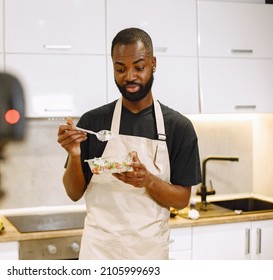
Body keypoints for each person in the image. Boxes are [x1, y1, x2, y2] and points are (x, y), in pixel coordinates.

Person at [57, 27, 201, 259]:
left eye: (139, 67)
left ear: (153, 63)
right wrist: (74, 154)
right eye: (120, 69)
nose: (130, 76)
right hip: (99, 252)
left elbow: (182, 200)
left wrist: (148, 180)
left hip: (148, 252)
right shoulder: (93, 122)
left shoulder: (178, 127)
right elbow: (74, 193)